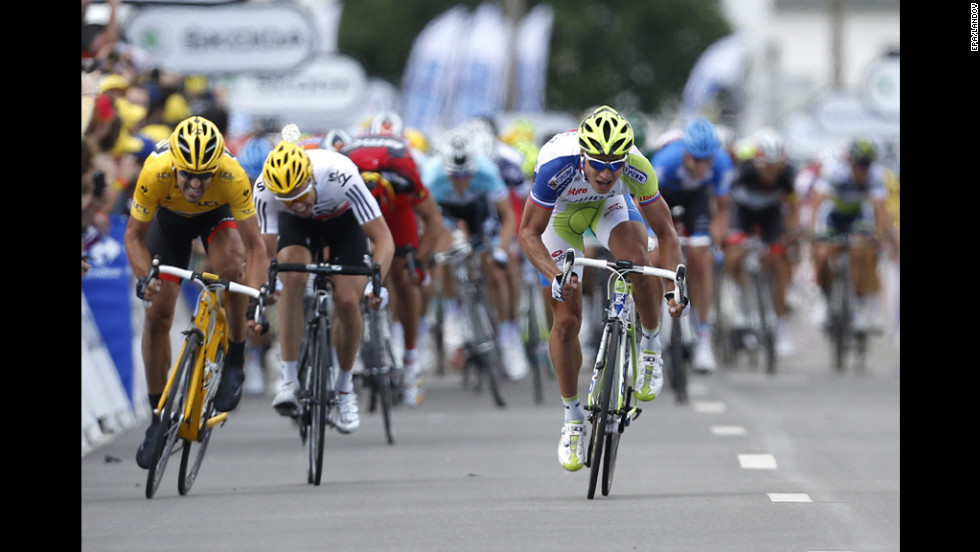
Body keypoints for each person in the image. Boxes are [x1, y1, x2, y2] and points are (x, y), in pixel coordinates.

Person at [517, 105, 686, 472]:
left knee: (639, 261)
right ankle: (572, 418)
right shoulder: (556, 166)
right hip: (562, 219)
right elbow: (528, 233)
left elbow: (667, 232)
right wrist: (556, 273)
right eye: (598, 163)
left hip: (610, 210)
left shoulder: (638, 169)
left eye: (615, 164)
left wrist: (673, 286)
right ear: (583, 156)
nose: (607, 172)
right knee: (565, 322)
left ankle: (650, 344)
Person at [124, 115, 270, 469]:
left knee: (230, 268)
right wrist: (145, 279)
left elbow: (256, 249)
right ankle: (158, 414)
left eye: (203, 175)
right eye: (187, 174)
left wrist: (253, 303)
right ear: (175, 165)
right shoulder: (155, 170)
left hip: (214, 218)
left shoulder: (230, 176)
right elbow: (134, 237)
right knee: (157, 315)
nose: (194, 183)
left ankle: (235, 358)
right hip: (168, 223)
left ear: (215, 168)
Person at [256, 139, 394, 434]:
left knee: (346, 301)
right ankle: (290, 380)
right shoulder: (265, 190)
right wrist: (268, 286)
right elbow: (265, 253)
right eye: (288, 199)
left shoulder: (339, 173)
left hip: (343, 223)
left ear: (310, 177)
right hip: (297, 228)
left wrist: (376, 283)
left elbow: (383, 239)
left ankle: (344, 390)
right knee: (291, 278)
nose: (298, 203)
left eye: (302, 194)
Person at [341, 128, 447, 406]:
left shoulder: (405, 176)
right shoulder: (343, 175)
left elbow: (434, 222)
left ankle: (411, 360)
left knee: (404, 276)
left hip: (398, 205)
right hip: (353, 201)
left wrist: (419, 264)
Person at [422, 127, 529, 381]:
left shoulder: (486, 172)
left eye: (466, 175)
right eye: (454, 176)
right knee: (447, 252)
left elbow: (507, 218)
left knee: (495, 269)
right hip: (445, 214)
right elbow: (428, 221)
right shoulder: (432, 176)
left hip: (479, 211)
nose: (461, 181)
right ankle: (452, 316)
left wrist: (501, 249)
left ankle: (507, 337)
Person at [648, 116, 734, 373]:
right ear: (686, 153)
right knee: (654, 260)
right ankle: (649, 331)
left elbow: (722, 209)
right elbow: (642, 204)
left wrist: (713, 238)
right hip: (660, 197)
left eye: (708, 160)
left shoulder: (721, 164)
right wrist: (652, 238)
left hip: (696, 200)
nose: (702, 166)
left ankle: (703, 338)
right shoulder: (665, 162)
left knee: (700, 257)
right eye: (697, 159)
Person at [720, 128, 801, 356]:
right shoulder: (741, 171)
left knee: (779, 262)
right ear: (756, 161)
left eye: (776, 167)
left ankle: (780, 328)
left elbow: (793, 208)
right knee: (735, 252)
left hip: (771, 216)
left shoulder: (788, 174)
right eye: (766, 166)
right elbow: (723, 203)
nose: (771, 172)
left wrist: (792, 232)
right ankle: (738, 301)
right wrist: (725, 235)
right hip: (742, 214)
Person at [809, 137, 899, 332]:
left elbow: (880, 211)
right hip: (832, 216)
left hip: (858, 218)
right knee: (823, 252)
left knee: (863, 252)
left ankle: (858, 304)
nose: (863, 169)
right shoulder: (834, 171)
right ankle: (824, 298)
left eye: (867, 165)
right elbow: (816, 204)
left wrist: (880, 235)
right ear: (850, 162)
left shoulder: (875, 175)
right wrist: (812, 232)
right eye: (859, 164)